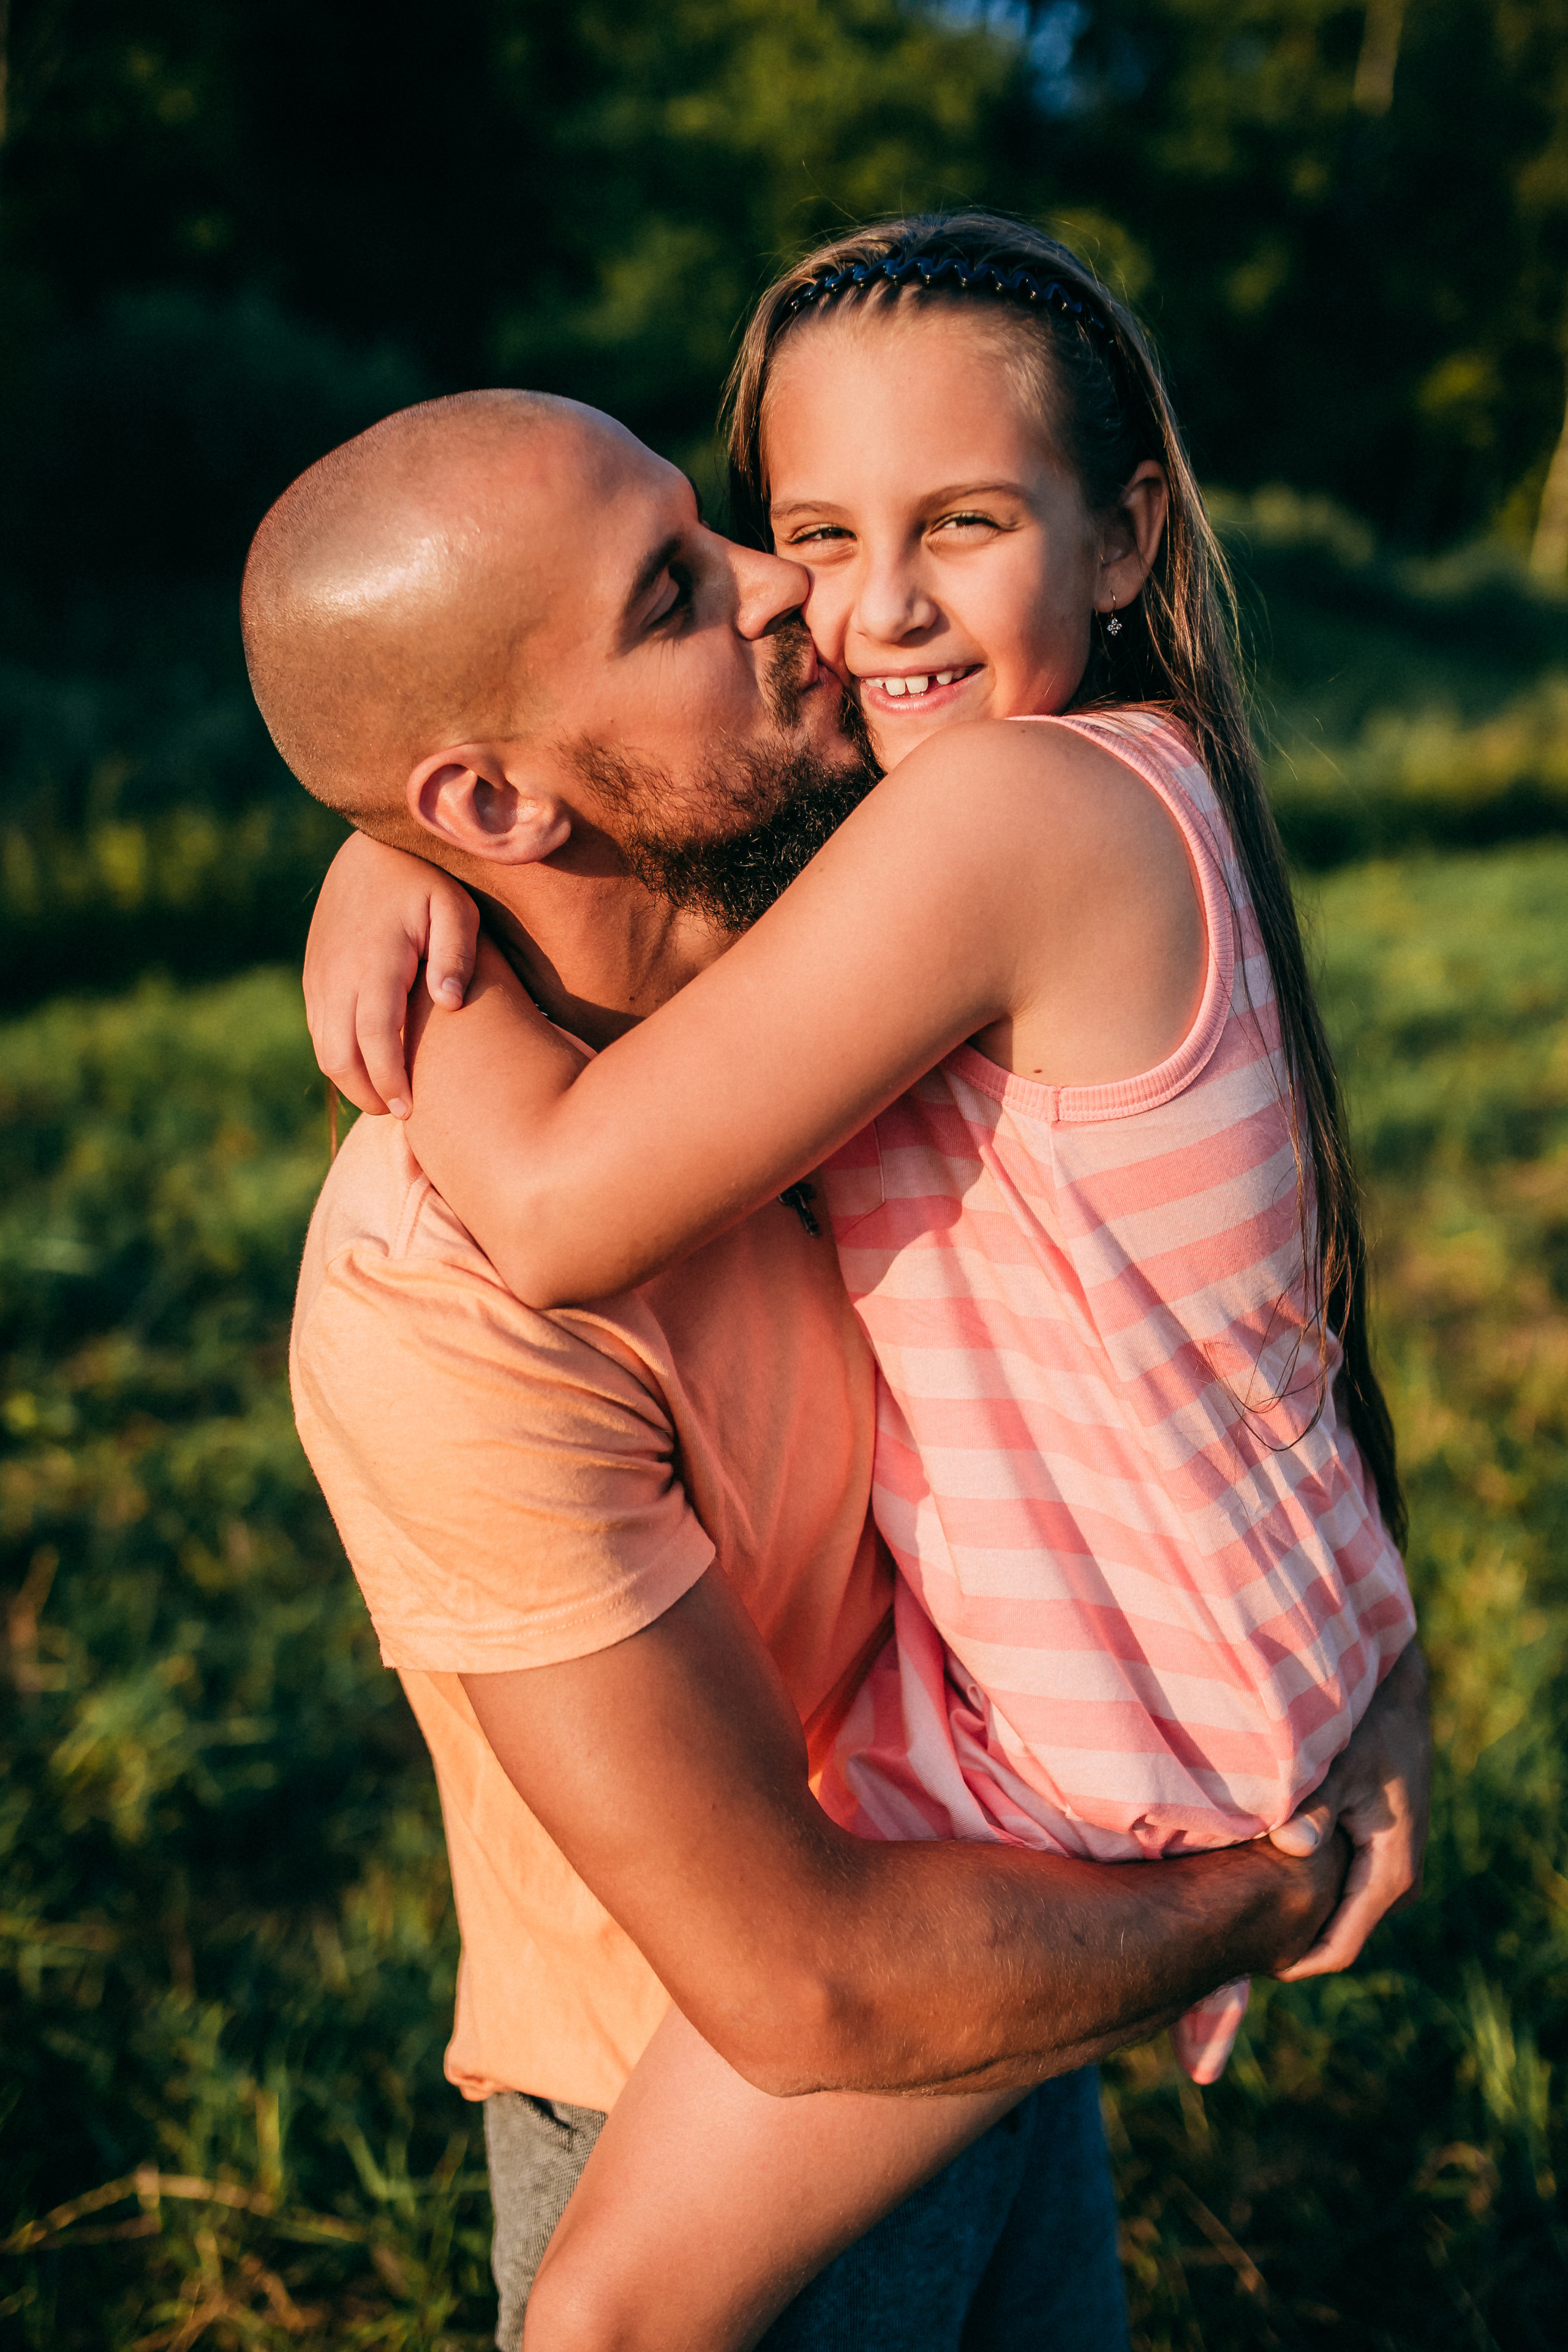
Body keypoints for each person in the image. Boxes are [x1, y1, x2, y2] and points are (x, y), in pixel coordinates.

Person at [298, 217, 1425, 2350]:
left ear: (1125, 540)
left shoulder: (969, 819)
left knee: (611, 2325)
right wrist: (396, 838)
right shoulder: (989, 803)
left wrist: (407, 869)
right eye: (785, 535)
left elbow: (559, 1175)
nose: (829, 599)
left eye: (961, 522)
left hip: (1056, 1768)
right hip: (1056, 1754)